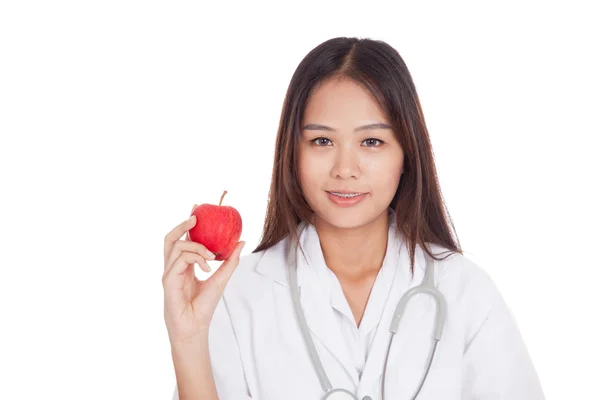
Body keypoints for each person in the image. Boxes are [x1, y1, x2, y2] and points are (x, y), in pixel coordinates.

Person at [162, 37, 545, 400]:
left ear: (406, 153)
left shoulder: (465, 291)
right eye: (322, 141)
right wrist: (188, 340)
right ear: (292, 153)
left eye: (372, 142)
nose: (346, 169)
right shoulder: (237, 295)